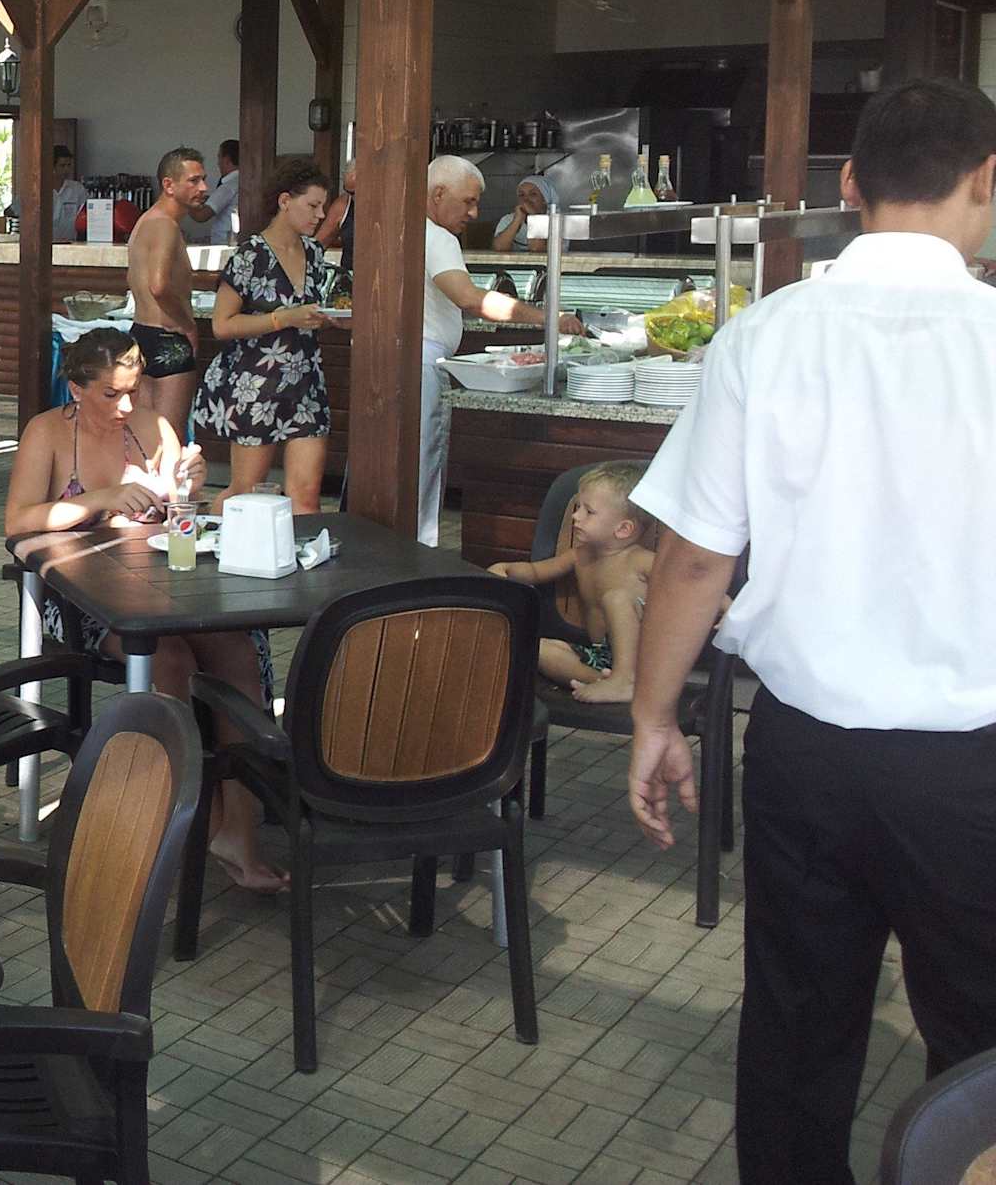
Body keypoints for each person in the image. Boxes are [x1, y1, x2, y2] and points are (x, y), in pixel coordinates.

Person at [625, 78, 996, 1185]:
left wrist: (653, 717)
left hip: (805, 754)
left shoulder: (766, 336)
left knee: (798, 1024)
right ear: (987, 182)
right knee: (984, 1046)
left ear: (850, 183)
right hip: (973, 768)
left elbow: (696, 558)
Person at [5, 327, 283, 890]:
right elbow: (17, 522)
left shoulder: (154, 428)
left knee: (238, 652)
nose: (126, 406)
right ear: (77, 388)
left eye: (133, 391)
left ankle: (240, 826)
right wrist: (100, 500)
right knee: (169, 659)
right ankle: (181, 821)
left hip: (160, 582)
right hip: (79, 593)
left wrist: (190, 490)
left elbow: (179, 520)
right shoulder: (48, 433)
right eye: (111, 394)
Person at [419, 155, 582, 545]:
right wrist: (547, 318)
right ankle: (415, 554)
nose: (474, 213)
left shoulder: (404, 227)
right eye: (468, 201)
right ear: (438, 194)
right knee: (420, 466)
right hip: (421, 362)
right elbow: (469, 298)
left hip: (397, 357)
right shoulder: (437, 236)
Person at [193, 157, 334, 511]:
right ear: (285, 201)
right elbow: (222, 324)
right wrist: (284, 318)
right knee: (245, 492)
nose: (320, 215)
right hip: (255, 384)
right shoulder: (250, 256)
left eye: (323, 207)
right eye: (313, 205)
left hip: (305, 383)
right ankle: (210, 534)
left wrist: (332, 318)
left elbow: (316, 308)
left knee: (306, 495)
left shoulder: (315, 253)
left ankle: (302, 547)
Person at [490, 461, 654, 702]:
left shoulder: (643, 561)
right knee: (539, 649)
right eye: (578, 508)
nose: (576, 516)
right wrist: (506, 569)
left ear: (623, 529)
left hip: (643, 660)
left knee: (616, 597)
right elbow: (536, 571)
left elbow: (685, 588)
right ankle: (605, 682)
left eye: (589, 512)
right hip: (599, 655)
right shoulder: (580, 555)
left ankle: (626, 679)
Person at [126, 146, 209, 441]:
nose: (204, 188)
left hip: (141, 333)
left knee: (144, 438)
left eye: (203, 179)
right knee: (170, 440)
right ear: (169, 185)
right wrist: (187, 324)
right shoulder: (165, 226)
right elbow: (158, 286)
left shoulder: (145, 221)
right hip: (167, 337)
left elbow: (135, 279)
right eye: (194, 181)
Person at [185, 139, 241, 243]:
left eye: (219, 157)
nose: (218, 163)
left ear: (226, 160)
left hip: (225, 243)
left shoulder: (228, 187)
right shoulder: (242, 181)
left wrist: (186, 201)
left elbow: (201, 216)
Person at [491, 177, 551, 254]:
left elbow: (536, 248)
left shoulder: (553, 221)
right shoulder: (508, 219)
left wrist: (534, 216)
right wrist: (517, 220)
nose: (526, 199)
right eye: (521, 195)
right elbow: (499, 248)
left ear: (545, 199)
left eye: (533, 194)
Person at [315, 159, 357, 257]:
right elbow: (319, 244)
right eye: (349, 192)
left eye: (357, 192)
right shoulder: (343, 205)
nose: (354, 197)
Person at [50, 145, 88, 239]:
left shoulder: (77, 189)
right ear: (52, 167)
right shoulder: (39, 190)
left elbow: (86, 216)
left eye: (69, 165)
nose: (66, 169)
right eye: (62, 166)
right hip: (45, 243)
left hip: (70, 243)